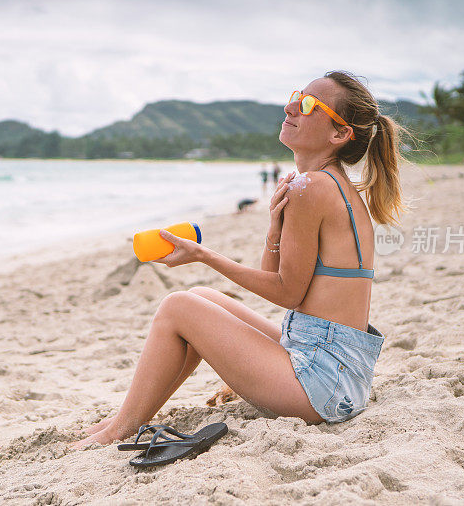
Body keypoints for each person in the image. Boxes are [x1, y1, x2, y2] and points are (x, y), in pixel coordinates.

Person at [72, 71, 405, 448]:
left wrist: (203, 255)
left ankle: (120, 429)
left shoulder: (311, 187)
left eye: (310, 105)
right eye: (297, 95)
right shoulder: (325, 183)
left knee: (178, 306)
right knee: (202, 297)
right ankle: (128, 416)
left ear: (340, 134)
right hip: (341, 371)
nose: (291, 105)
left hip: (322, 383)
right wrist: (274, 229)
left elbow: (286, 293)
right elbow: (276, 276)